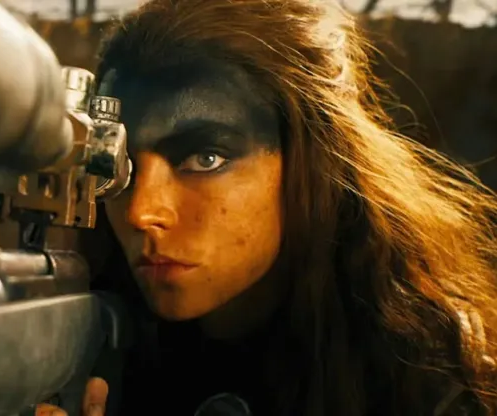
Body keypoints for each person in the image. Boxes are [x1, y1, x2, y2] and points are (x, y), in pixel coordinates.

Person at [39, 0, 497, 414]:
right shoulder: (89, 342)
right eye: (119, 167)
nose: (141, 210)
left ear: (309, 164)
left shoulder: (421, 377)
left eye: (206, 158)